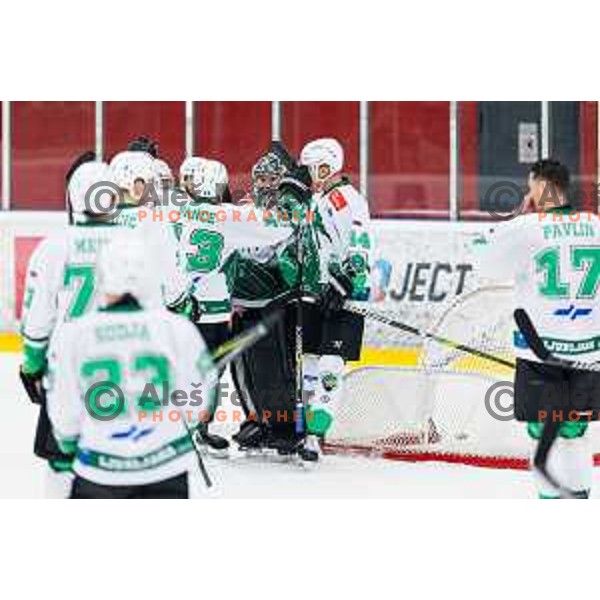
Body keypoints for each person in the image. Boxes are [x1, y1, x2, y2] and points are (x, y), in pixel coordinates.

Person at [46, 237, 217, 499]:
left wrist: (69, 446)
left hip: (100, 469)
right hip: (167, 466)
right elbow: (198, 402)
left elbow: (64, 411)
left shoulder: (75, 334)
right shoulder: (176, 328)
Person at [483, 158, 600, 498]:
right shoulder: (595, 224)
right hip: (588, 353)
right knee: (575, 431)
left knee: (541, 430)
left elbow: (484, 260)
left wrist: (513, 224)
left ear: (539, 184)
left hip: (541, 352)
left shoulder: (527, 227)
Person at [20, 161, 128, 497]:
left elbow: (38, 319)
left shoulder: (54, 246)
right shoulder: (133, 244)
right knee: (120, 454)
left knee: (62, 456)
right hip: (122, 366)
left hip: (68, 366)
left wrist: (32, 365)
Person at [176, 157, 295, 452]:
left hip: (179, 304)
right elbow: (280, 227)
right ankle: (196, 428)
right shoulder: (226, 215)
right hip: (213, 309)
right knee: (209, 372)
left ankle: (185, 427)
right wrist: (295, 200)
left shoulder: (173, 211)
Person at [298, 138, 372, 454]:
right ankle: (306, 432)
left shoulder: (346, 198)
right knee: (311, 362)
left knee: (330, 363)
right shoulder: (319, 199)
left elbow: (360, 244)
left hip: (345, 296)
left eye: (311, 167)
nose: (307, 174)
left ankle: (314, 434)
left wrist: (345, 282)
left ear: (326, 166)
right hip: (318, 293)